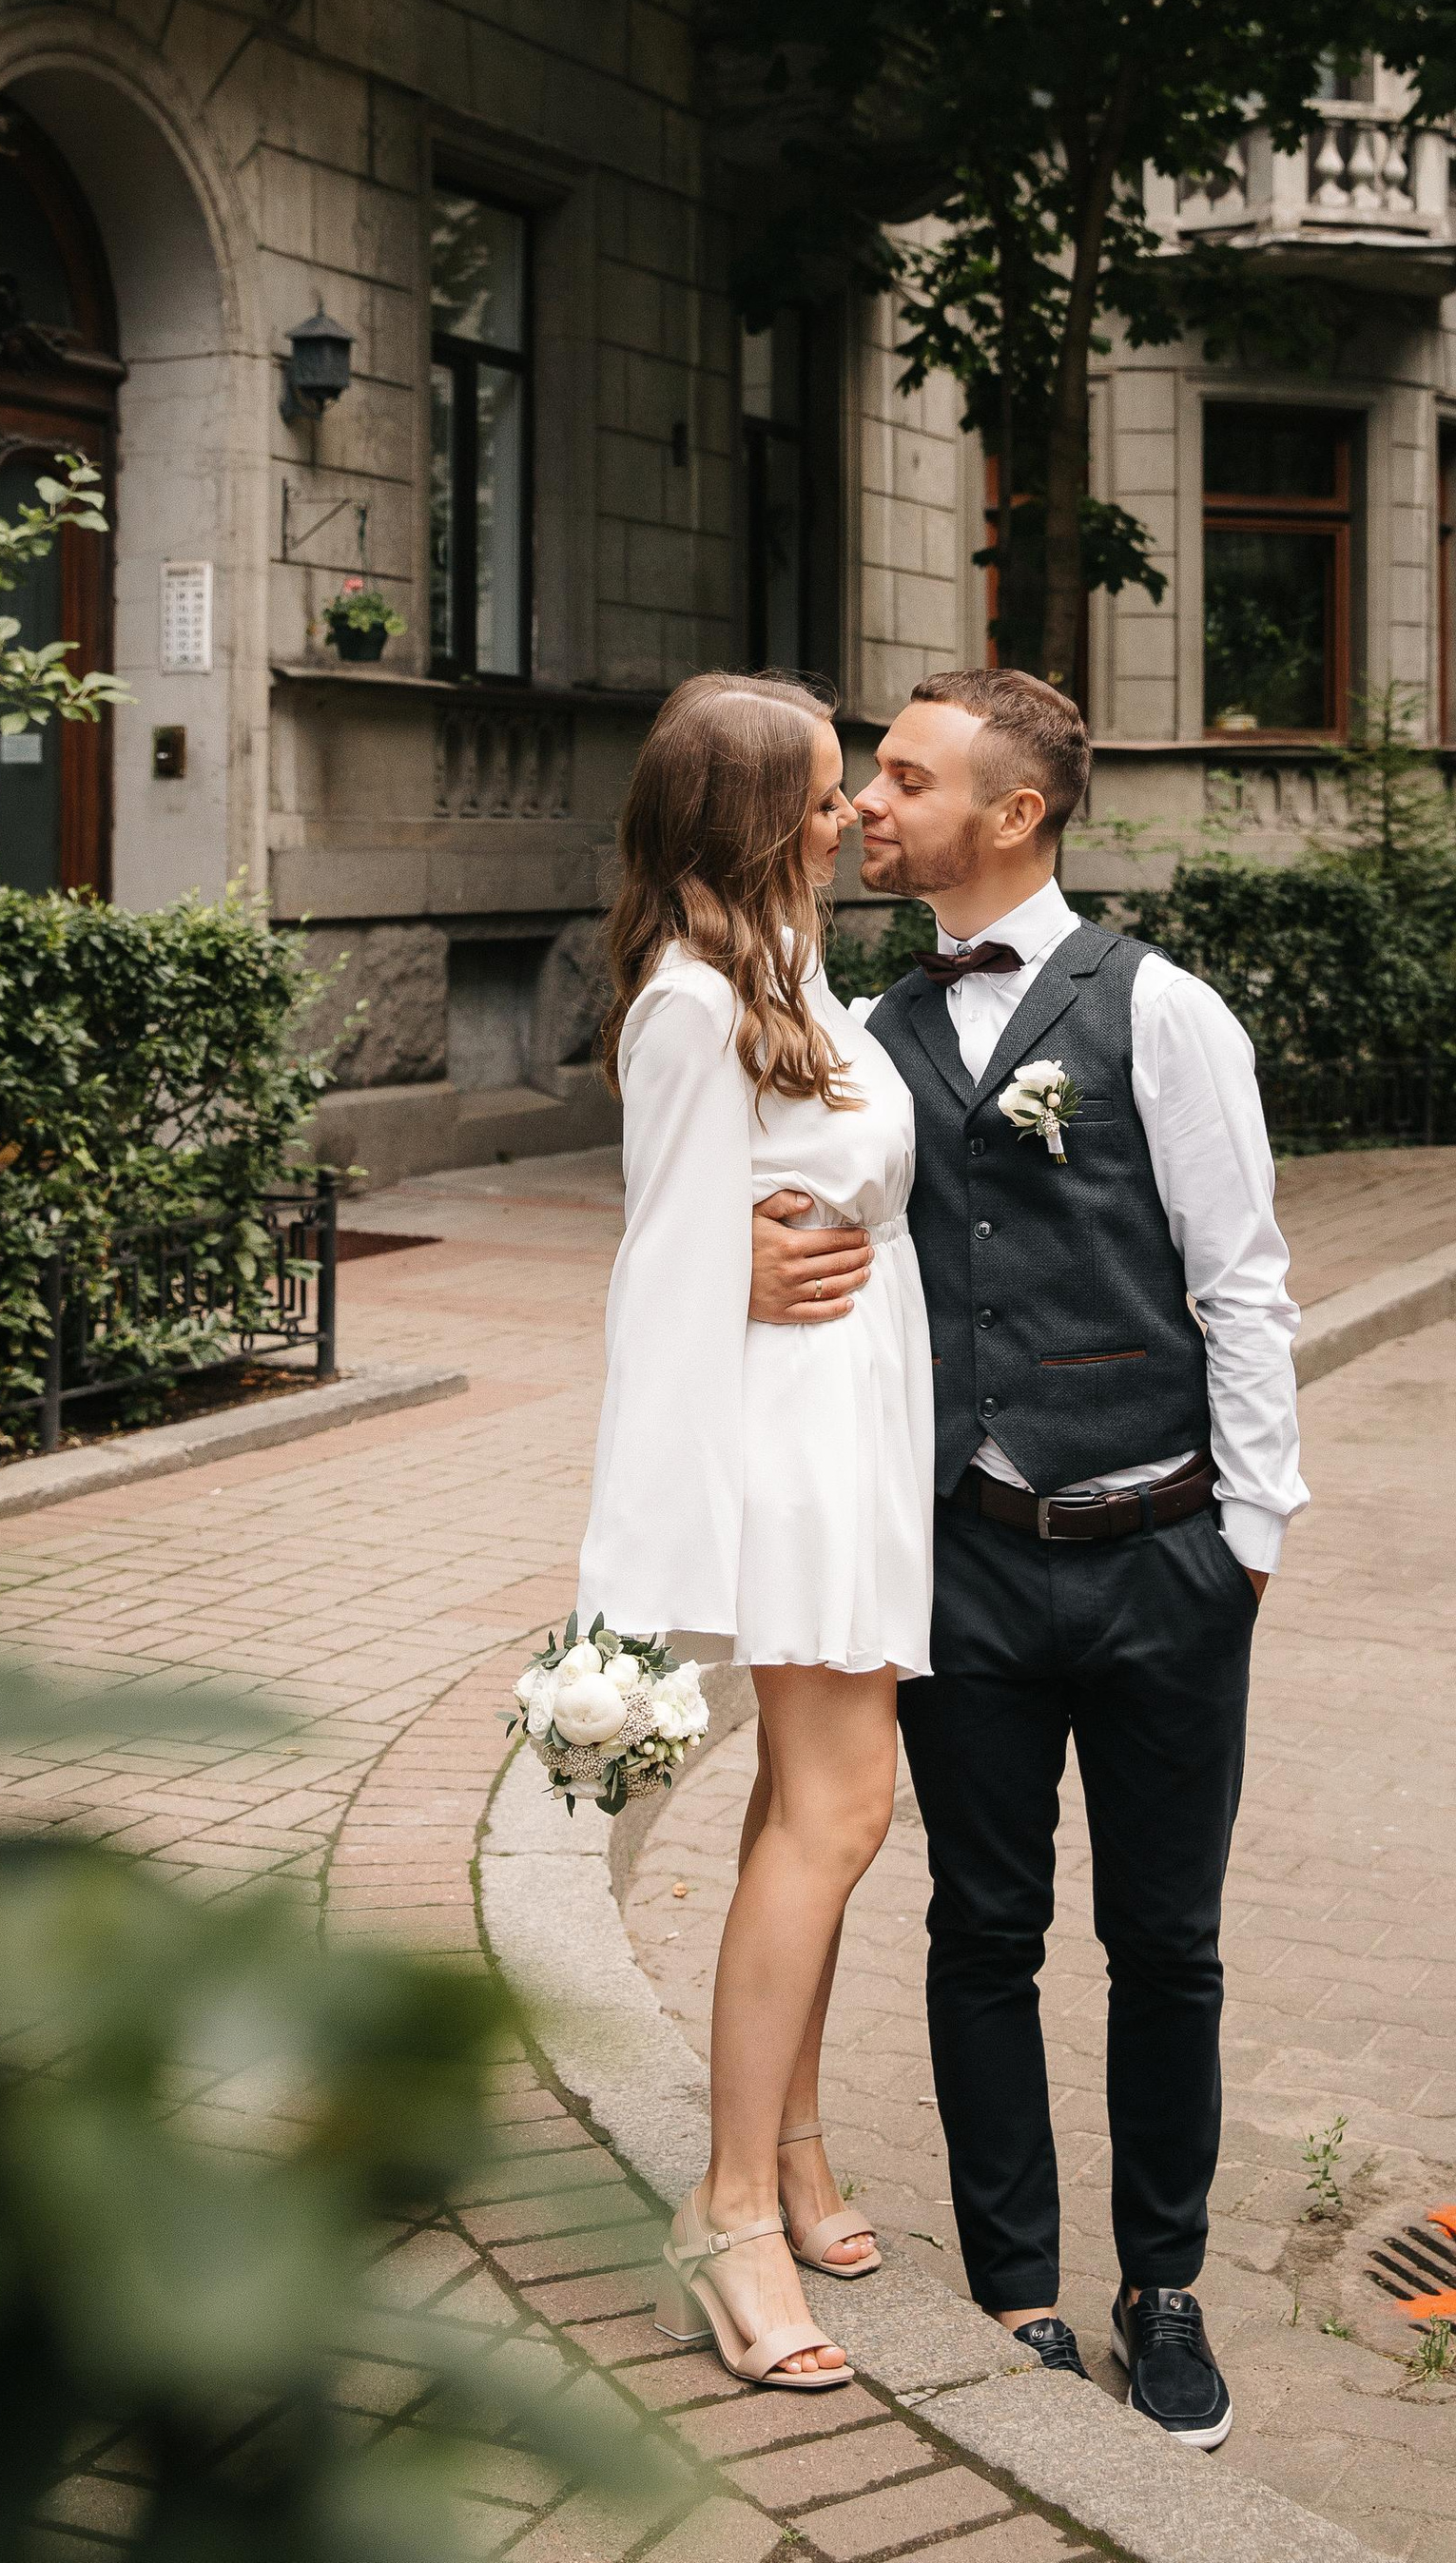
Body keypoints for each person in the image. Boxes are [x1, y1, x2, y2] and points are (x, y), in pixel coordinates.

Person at [748, 666, 1304, 2450]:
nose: (866, 803)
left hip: (1162, 1554)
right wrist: (733, 1261)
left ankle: (1165, 2285)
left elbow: (1242, 1282)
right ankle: (1018, 2298)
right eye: (868, 776)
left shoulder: (1164, 1013)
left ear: (1017, 812)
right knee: (981, 1930)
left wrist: (1246, 1541)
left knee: (1168, 1945)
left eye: (905, 779)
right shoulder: (867, 1028)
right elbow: (774, 1212)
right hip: (963, 1557)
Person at [576, 671, 934, 2396]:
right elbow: (661, 1256)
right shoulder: (688, 999)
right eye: (822, 792)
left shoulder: (785, 972)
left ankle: (787, 2145)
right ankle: (725, 2211)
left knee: (808, 1803)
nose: (849, 813)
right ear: (750, 817)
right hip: (794, 1442)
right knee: (842, 1811)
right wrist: (735, 1262)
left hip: (855, 1412)